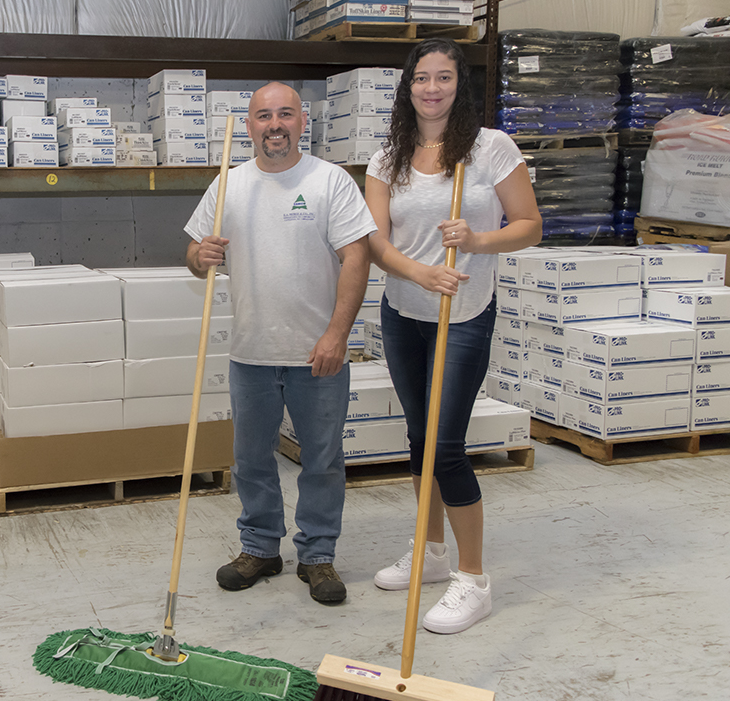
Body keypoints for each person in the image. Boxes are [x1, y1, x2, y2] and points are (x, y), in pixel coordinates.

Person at [364, 39, 542, 633]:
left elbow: (530, 225)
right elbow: (376, 241)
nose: (432, 89)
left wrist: (476, 241)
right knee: (418, 439)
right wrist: (418, 271)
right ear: (407, 87)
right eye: (421, 79)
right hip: (404, 310)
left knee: (445, 447)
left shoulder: (491, 148)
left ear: (458, 85)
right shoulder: (389, 154)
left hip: (464, 313)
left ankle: (474, 580)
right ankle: (431, 553)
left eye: (443, 78)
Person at [185, 82, 376, 605]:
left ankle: (317, 555)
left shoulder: (330, 181)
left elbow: (356, 258)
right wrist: (199, 258)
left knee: (321, 460)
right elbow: (195, 253)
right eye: (264, 115)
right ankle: (261, 547)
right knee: (250, 460)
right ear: (249, 125)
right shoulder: (228, 184)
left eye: (285, 114)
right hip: (251, 352)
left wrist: (337, 334)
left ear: (301, 121)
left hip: (319, 352)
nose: (275, 124)